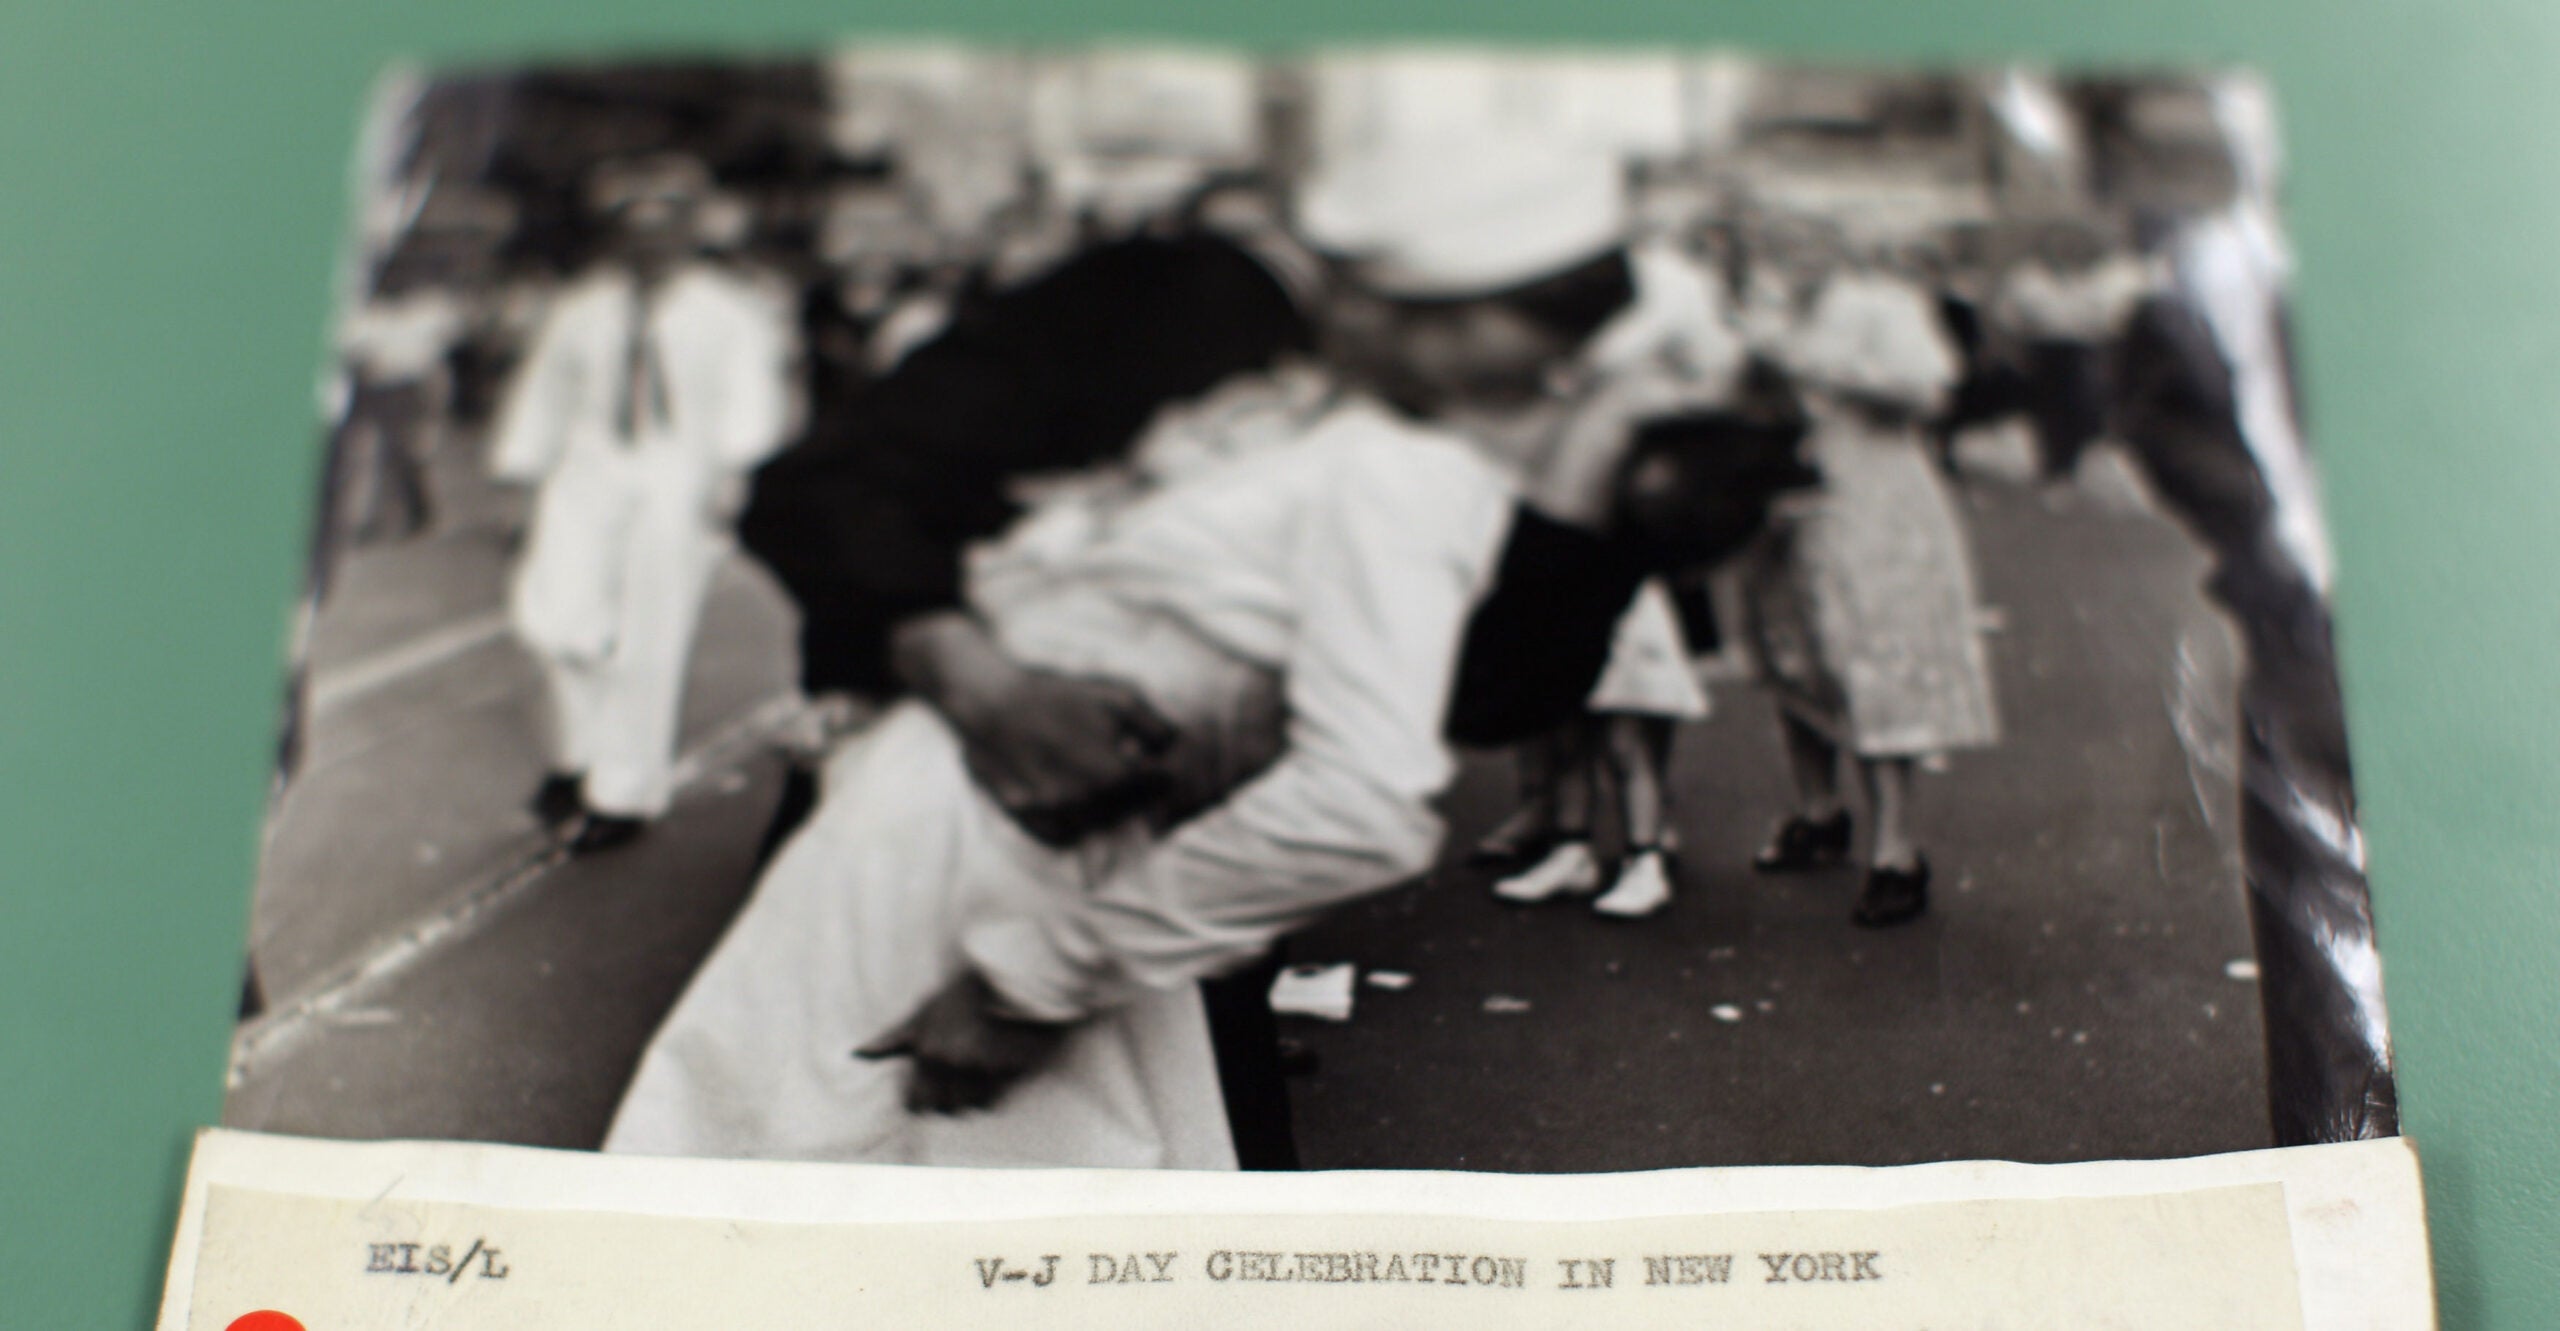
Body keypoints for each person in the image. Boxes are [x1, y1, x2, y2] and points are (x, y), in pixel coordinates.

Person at [603, 147, 1817, 1170]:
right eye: (1517, 347)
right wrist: (979, 678)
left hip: (1139, 869)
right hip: (958, 810)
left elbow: (1483, 695)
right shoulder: (1167, 300)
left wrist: (1581, 525)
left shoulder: (1433, 440)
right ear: (1404, 300)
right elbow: (825, 489)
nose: (1530, 386)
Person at [488, 155, 797, 852]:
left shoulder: (729, 312)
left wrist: (733, 473)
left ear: (688, 233)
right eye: (635, 228)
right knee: (552, 618)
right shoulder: (583, 309)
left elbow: (751, 399)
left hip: (678, 470)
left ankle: (623, 791)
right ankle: (576, 752)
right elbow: (544, 393)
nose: (649, 243)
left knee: (649, 632)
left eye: (664, 227)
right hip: (589, 462)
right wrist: (520, 477)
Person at [1742, 247, 2001, 929]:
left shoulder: (1880, 301)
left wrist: (1825, 368)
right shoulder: (1758, 302)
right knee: (1794, 656)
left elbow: (1930, 394)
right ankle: (1819, 811)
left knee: (1875, 658)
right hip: (1786, 495)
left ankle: (1896, 852)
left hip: (1873, 500)